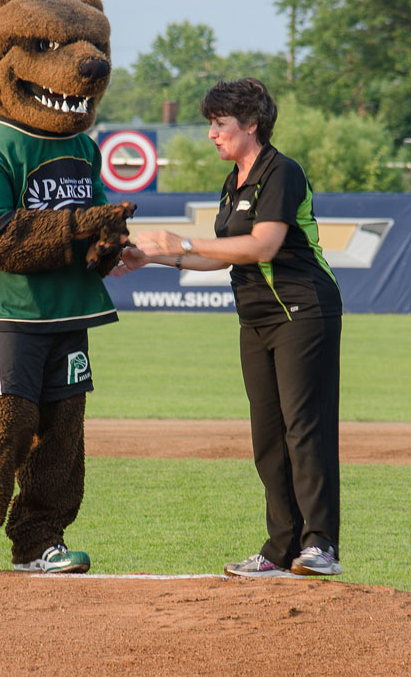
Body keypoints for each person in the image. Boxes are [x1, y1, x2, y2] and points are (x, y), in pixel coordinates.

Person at [118, 77, 343, 578]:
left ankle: (321, 545)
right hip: (257, 318)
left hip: (303, 311)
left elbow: (261, 247)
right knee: (267, 436)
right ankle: (280, 548)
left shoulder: (281, 172)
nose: (212, 134)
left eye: (220, 124)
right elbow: (220, 258)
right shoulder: (233, 181)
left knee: (304, 428)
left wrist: (180, 241)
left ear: (251, 124)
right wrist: (152, 258)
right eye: (211, 125)